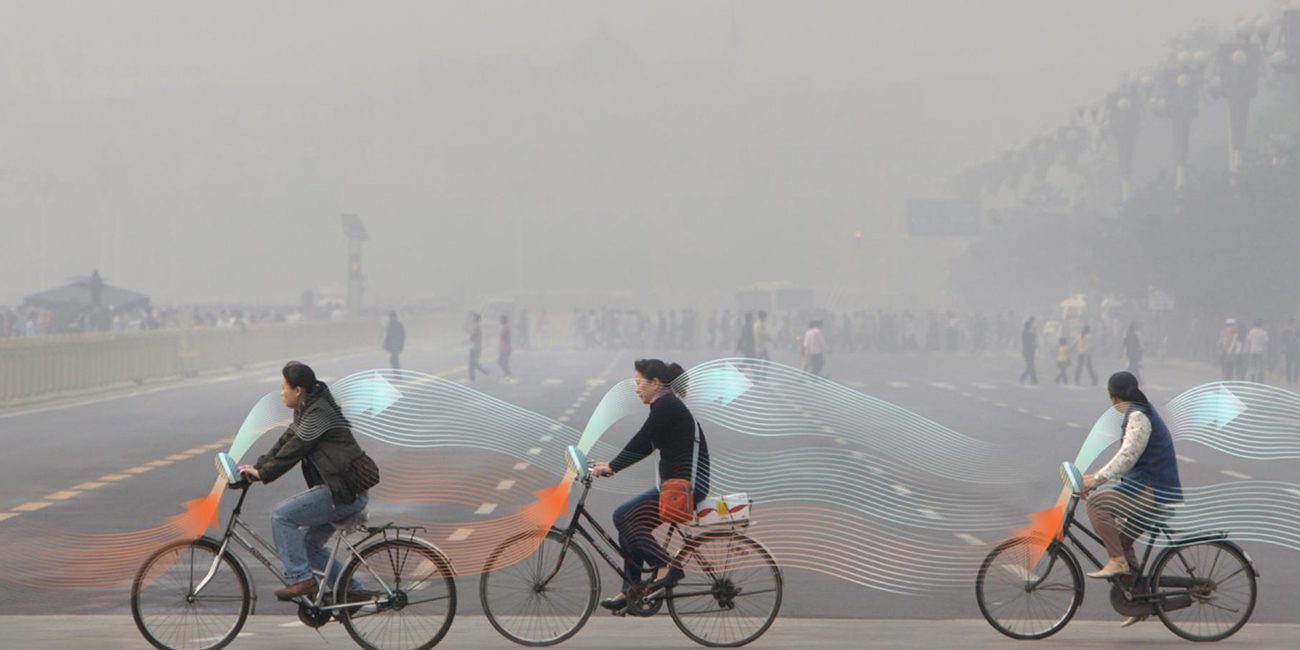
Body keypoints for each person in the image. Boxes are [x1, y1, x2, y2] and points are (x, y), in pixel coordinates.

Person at [238, 361, 381, 601]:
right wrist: (258, 467)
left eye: (284, 387)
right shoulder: (309, 408)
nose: (281, 392)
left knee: (282, 516)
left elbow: (295, 449)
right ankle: (352, 592)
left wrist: (264, 474)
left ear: (298, 390)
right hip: (341, 491)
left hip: (343, 493)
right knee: (307, 546)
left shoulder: (318, 414)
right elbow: (286, 441)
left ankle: (301, 580)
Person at [590, 359, 710, 614]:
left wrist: (612, 467)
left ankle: (667, 567)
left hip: (684, 488)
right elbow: (646, 445)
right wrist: (612, 465)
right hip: (676, 485)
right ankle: (633, 590)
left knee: (623, 516)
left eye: (639, 383)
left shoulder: (666, 406)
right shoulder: (665, 405)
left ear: (655, 383)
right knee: (628, 520)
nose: (636, 389)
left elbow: (642, 439)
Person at [1081, 372, 1183, 627]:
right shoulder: (1138, 412)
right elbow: (1127, 462)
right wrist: (1094, 476)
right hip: (1148, 487)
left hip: (1156, 491)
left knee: (1096, 504)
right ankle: (1139, 601)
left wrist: (1096, 481)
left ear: (1113, 397)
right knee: (1122, 540)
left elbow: (1128, 457)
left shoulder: (1138, 416)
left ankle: (1116, 561)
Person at [466, 312, 491, 381]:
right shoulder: (476, 326)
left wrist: (467, 341)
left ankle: (485, 371)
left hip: (475, 347)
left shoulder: (476, 326)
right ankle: (472, 378)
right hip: (476, 347)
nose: (471, 319)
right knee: (472, 363)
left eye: (473, 317)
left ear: (475, 319)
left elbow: (473, 336)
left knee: (473, 363)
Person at [1246, 319, 1269, 383]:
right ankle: (1260, 379)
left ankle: (1253, 377)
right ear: (1261, 325)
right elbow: (1266, 343)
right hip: (1261, 351)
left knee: (1253, 365)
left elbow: (1248, 341)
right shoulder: (1264, 332)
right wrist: (1266, 351)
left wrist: (1248, 349)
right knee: (1260, 366)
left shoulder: (1251, 331)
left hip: (1253, 351)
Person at [1019, 317, 1038, 385]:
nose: (1031, 327)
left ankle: (1029, 379)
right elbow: (1031, 340)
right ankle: (1032, 380)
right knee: (1031, 366)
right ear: (1028, 326)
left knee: (1030, 366)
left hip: (1029, 351)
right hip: (1028, 352)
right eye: (1030, 326)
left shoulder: (1027, 332)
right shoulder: (1026, 333)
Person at [498, 314, 514, 380]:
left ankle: (508, 373)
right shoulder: (505, 327)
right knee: (503, 361)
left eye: (501, 320)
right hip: (504, 347)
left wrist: (508, 347)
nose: (500, 321)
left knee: (501, 361)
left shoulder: (505, 328)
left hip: (505, 348)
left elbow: (506, 338)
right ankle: (507, 373)